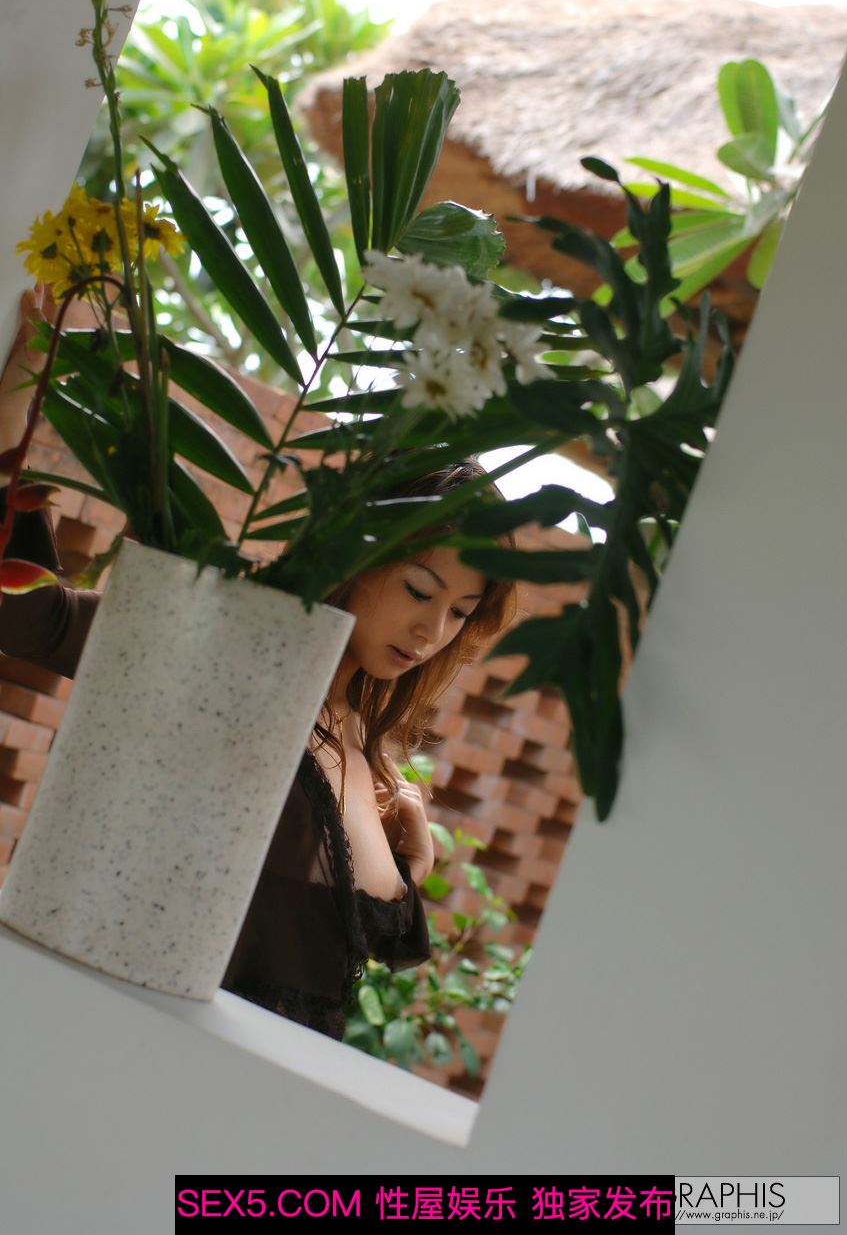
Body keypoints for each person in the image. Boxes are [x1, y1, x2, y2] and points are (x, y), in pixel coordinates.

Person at [0, 286, 519, 1042]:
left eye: (461, 612)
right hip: (134, 1050)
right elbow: (33, 621)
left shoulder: (362, 737)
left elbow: (332, 945)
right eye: (419, 589)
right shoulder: (241, 657)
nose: (432, 630)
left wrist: (413, 857)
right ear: (357, 550)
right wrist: (15, 421)